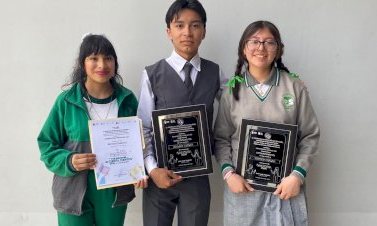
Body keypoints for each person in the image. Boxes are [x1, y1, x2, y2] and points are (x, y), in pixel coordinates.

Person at [214, 21, 320, 226]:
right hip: (244, 189)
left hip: (285, 188)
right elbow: (221, 138)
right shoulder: (231, 90)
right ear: (243, 48)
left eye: (269, 42)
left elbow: (310, 136)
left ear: (278, 49)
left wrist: (297, 176)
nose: (261, 48)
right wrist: (229, 174)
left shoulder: (294, 87)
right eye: (254, 41)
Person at [37, 34, 148, 226]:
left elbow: (140, 143)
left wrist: (140, 171)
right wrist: (69, 160)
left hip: (115, 190)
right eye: (93, 58)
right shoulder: (66, 101)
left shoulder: (128, 100)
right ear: (82, 64)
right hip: (72, 190)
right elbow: (47, 145)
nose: (102, 65)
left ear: (115, 63)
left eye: (108, 58)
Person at [137, 1, 227, 225]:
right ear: (169, 31)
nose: (187, 32)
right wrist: (152, 169)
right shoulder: (152, 74)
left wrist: (283, 84)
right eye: (180, 25)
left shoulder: (215, 72)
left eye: (195, 25)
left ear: (204, 31)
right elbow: (144, 127)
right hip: (159, 175)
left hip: (197, 178)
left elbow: (239, 106)